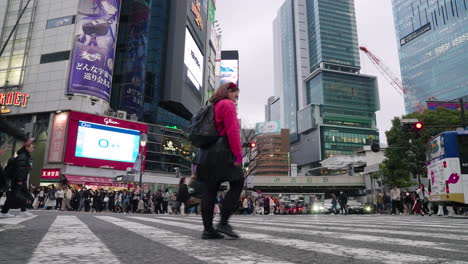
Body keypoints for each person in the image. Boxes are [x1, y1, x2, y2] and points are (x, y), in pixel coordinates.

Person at [194, 82, 244, 239]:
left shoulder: (212, 105)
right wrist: (238, 155)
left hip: (205, 154)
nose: (236, 96)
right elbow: (232, 131)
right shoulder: (227, 105)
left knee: (209, 190)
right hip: (222, 152)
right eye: (234, 92)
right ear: (228, 91)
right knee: (238, 182)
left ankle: (208, 230)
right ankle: (223, 222)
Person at [0, 138, 35, 218]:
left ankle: (23, 210)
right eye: (31, 147)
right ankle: (4, 212)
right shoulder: (23, 156)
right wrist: (20, 180)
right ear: (27, 147)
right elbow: (20, 169)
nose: (33, 149)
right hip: (18, 180)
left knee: (22, 194)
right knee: (15, 195)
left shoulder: (24, 155)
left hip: (20, 180)